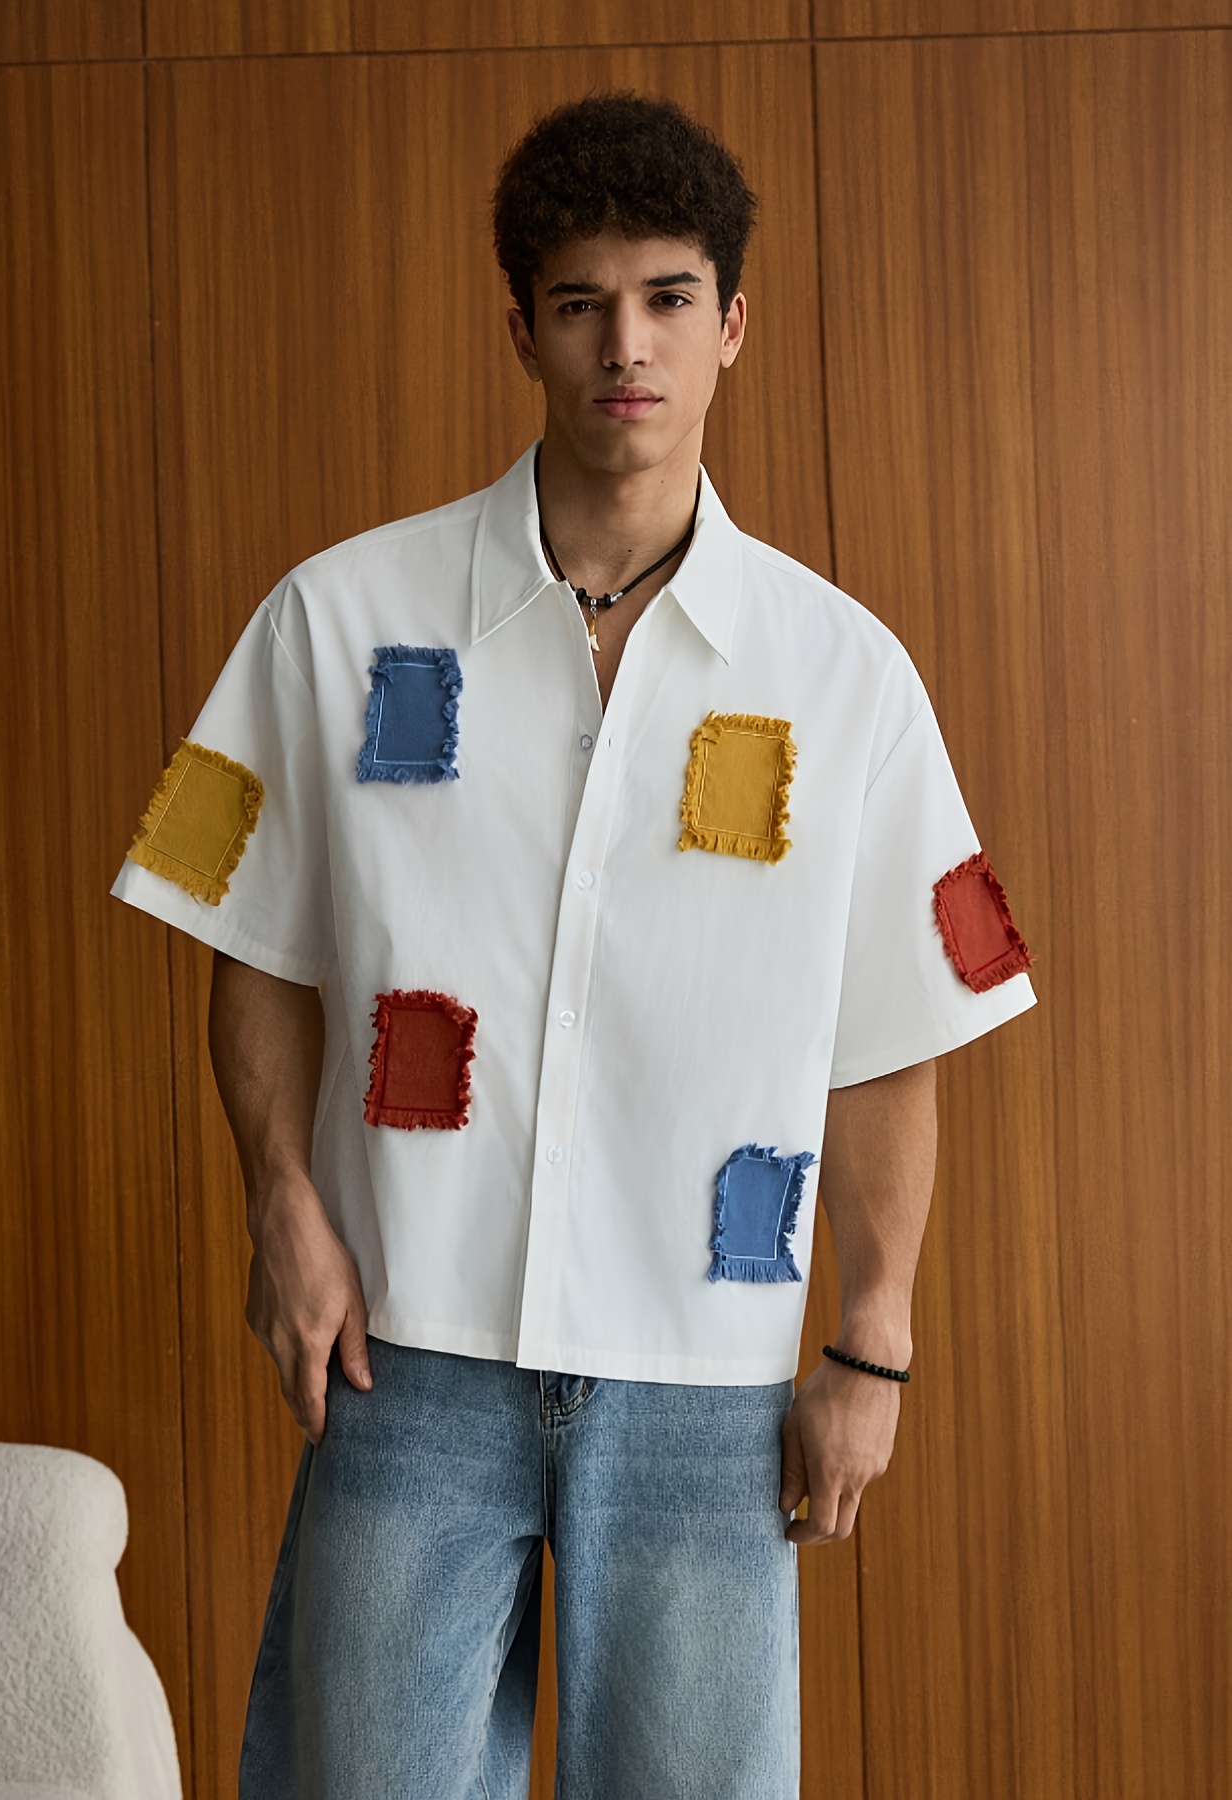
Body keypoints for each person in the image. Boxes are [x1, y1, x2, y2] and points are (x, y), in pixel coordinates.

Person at [112, 91, 1035, 1800]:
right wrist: (280, 1204)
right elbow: (250, 938)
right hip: (408, 1348)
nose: (627, 346)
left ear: (729, 323)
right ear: (520, 326)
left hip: (709, 1382)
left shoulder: (843, 675)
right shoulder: (339, 619)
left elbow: (889, 1033)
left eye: (668, 298)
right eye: (580, 303)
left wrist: (872, 1339)